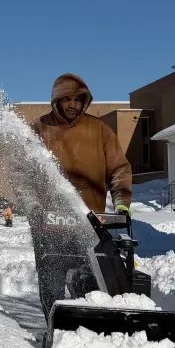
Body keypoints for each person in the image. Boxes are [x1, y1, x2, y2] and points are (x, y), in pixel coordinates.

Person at [28, 73, 133, 323]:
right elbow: (23, 173)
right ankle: (56, 330)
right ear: (57, 100)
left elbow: (119, 169)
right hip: (49, 225)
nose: (73, 104)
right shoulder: (39, 130)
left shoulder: (99, 131)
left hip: (90, 225)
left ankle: (87, 333)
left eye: (78, 99)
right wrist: (32, 205)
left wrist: (122, 204)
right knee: (52, 285)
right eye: (67, 99)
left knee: (92, 285)